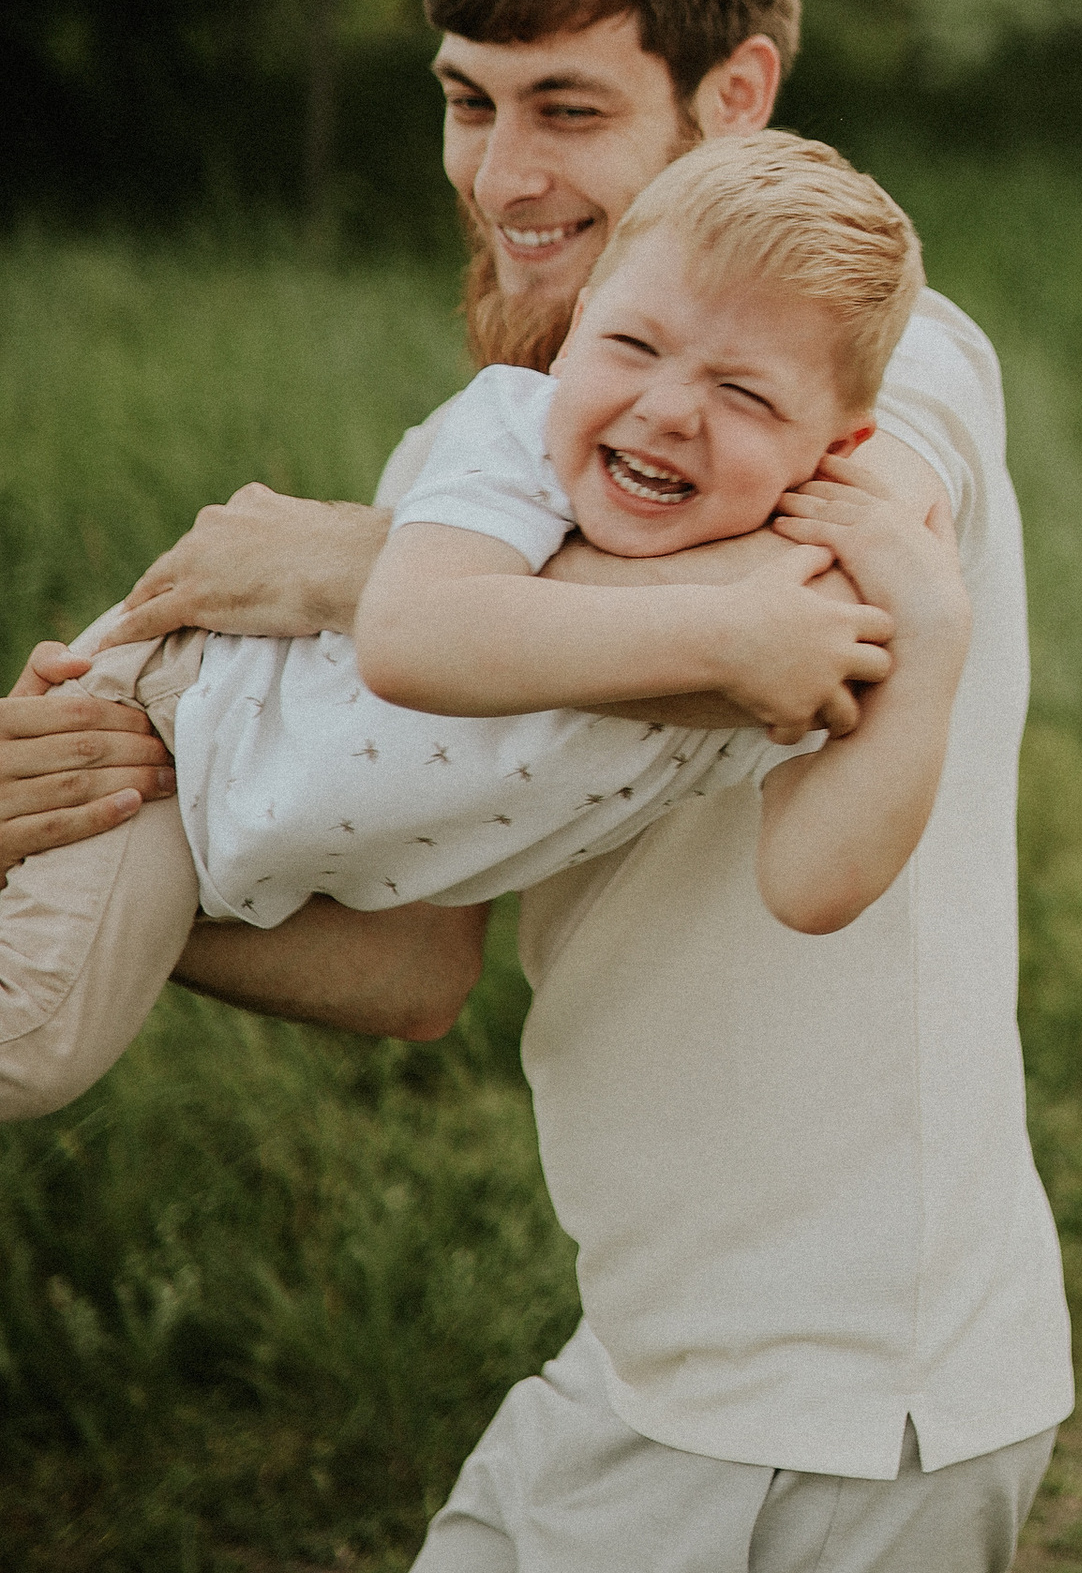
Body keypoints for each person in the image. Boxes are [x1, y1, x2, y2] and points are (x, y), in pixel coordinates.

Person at [1, 0, 1075, 1573]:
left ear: (735, 96)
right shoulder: (510, 458)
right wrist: (127, 822)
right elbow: (407, 965)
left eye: (569, 108)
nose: (503, 173)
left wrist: (338, 573)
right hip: (637, 1368)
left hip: (832, 1401)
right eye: (466, 103)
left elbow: (779, 602)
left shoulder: (878, 368)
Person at [0, 134, 952, 1089]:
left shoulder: (797, 605)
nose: (669, 409)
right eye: (632, 345)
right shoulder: (517, 436)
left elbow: (811, 888)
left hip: (253, 856)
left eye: (743, 392)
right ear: (576, 329)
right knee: (31, 1040)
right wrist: (726, 638)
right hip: (178, 731)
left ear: (840, 448)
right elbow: (412, 636)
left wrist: (936, 638)